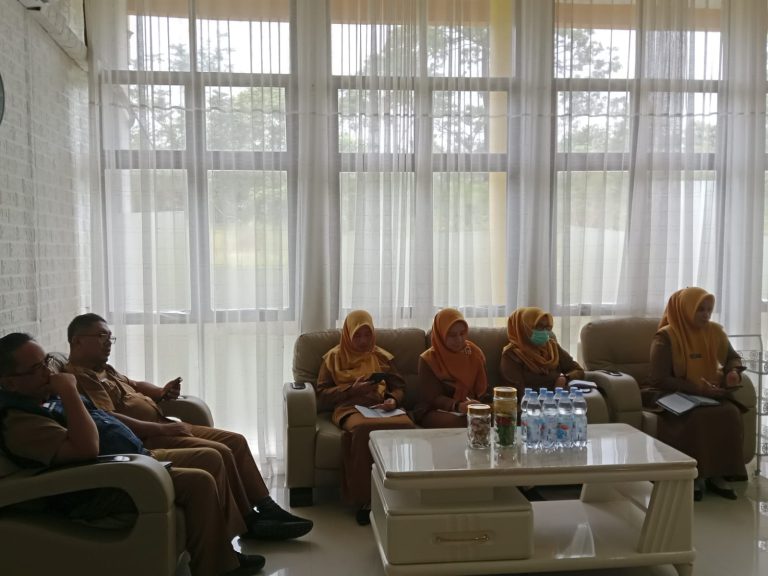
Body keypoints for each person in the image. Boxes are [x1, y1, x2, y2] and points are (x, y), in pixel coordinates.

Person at [0, 333, 265, 576]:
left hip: (131, 457)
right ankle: (216, 568)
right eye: (36, 368)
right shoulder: (21, 422)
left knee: (211, 458)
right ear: (9, 383)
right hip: (105, 481)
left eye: (46, 362)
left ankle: (223, 550)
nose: (48, 373)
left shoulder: (42, 397)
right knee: (200, 481)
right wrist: (70, 392)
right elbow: (86, 449)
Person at [63, 313, 312, 540]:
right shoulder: (81, 377)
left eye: (110, 337)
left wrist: (160, 392)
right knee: (222, 452)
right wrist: (163, 430)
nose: (108, 343)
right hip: (147, 437)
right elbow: (110, 419)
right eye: (101, 336)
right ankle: (250, 521)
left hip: (162, 425)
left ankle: (267, 508)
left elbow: (136, 385)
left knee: (236, 441)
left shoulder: (104, 369)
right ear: (77, 341)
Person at [644, 287, 746, 501]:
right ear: (685, 310)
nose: (706, 315)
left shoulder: (715, 332)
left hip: (707, 393)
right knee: (697, 416)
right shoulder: (665, 337)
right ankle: (694, 476)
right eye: (700, 309)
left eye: (709, 309)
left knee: (729, 413)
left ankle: (718, 475)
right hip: (670, 393)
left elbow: (733, 358)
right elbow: (659, 379)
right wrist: (697, 388)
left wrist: (733, 372)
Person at [315, 310, 416, 526]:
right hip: (350, 407)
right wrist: (351, 389)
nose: (363, 341)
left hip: (381, 407)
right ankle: (365, 499)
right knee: (363, 429)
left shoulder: (381, 356)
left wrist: (393, 400)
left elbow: (399, 387)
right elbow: (321, 395)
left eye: (367, 335)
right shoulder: (333, 358)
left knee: (406, 425)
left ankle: (402, 493)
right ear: (347, 334)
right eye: (357, 336)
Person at [415, 308, 490, 428]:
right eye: (452, 335)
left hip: (470, 408)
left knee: (498, 416)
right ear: (441, 335)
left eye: (462, 334)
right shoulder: (428, 359)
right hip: (434, 410)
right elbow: (432, 398)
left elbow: (483, 389)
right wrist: (458, 406)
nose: (459, 340)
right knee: (467, 422)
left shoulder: (474, 353)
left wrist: (476, 404)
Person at [499, 306, 585, 404]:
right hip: (532, 406)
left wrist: (565, 378)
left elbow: (578, 370)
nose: (544, 332)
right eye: (538, 327)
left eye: (546, 327)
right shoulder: (511, 354)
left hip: (559, 402)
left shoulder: (552, 347)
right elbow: (518, 394)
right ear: (523, 329)